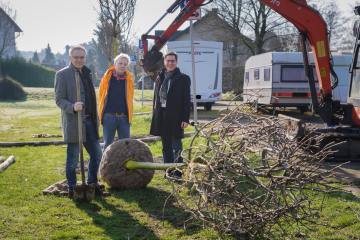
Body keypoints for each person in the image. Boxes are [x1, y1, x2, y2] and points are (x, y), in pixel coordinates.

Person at [54, 45, 103, 198]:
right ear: (71, 57)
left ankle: (91, 184)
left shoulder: (87, 73)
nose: (79, 60)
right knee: (73, 158)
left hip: (89, 122)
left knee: (97, 154)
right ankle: (72, 187)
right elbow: (59, 99)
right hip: (74, 122)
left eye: (82, 57)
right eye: (76, 57)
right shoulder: (62, 75)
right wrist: (72, 106)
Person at [150, 52, 191, 176]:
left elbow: (186, 100)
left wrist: (185, 118)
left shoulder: (183, 78)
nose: (170, 63)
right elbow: (156, 98)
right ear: (164, 62)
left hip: (176, 117)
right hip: (161, 115)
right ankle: (168, 171)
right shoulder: (160, 77)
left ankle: (178, 172)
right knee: (166, 146)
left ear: (176, 62)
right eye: (168, 61)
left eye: (173, 61)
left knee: (176, 145)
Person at [98, 53, 134, 150]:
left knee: (126, 145)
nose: (123, 66)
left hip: (124, 118)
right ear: (115, 64)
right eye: (120, 63)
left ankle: (124, 165)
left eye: (125, 64)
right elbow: (101, 96)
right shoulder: (106, 78)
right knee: (107, 145)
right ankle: (106, 164)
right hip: (109, 117)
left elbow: (130, 98)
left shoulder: (129, 79)